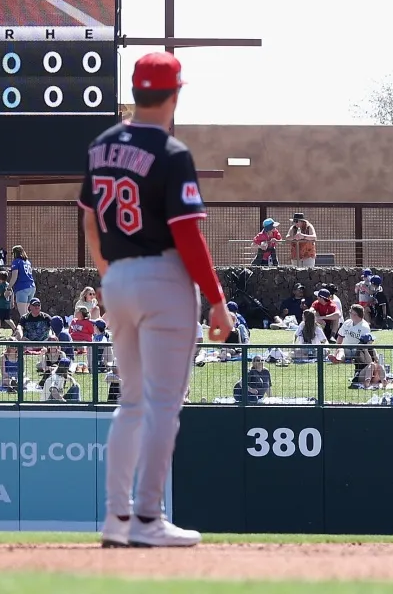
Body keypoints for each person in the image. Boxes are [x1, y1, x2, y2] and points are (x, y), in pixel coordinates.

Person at [82, 52, 231, 549]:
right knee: (164, 404)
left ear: (134, 90)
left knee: (131, 402)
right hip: (162, 275)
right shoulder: (171, 151)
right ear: (174, 94)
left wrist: (113, 276)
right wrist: (216, 300)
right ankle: (147, 517)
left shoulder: (101, 145)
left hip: (117, 278)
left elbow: (88, 221)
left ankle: (116, 520)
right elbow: (187, 235)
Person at [8, 245, 37, 310]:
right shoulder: (27, 262)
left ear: (15, 253)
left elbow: (14, 276)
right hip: (32, 287)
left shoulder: (16, 261)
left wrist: (8, 288)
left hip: (22, 288)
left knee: (23, 314)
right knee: (26, 312)